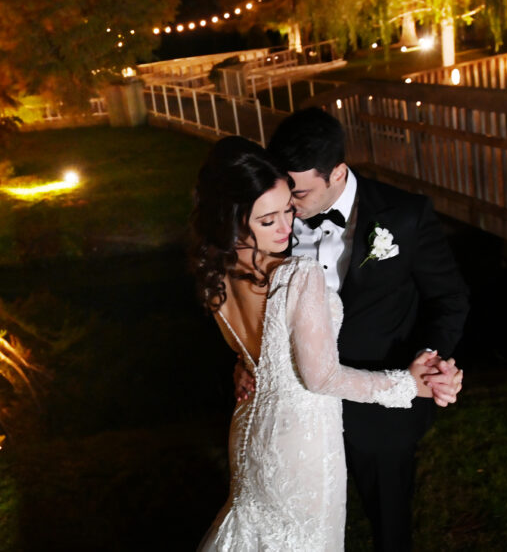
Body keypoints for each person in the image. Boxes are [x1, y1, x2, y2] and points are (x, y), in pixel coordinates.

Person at [191, 136, 454, 551]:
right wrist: (408, 385)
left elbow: (251, 349)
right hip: (302, 439)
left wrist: (242, 365)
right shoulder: (300, 275)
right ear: (235, 220)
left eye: (288, 211)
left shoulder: (216, 274)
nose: (285, 228)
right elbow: (322, 377)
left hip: (252, 433)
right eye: (268, 220)